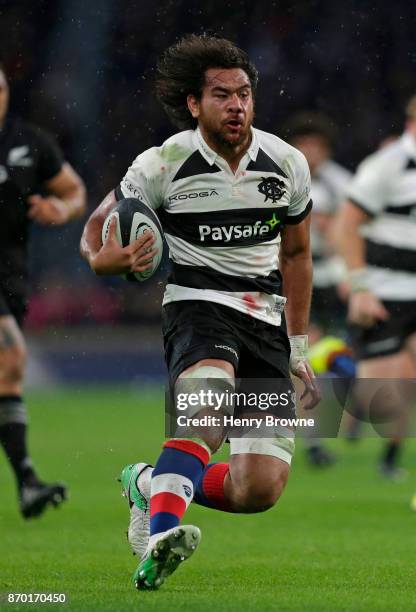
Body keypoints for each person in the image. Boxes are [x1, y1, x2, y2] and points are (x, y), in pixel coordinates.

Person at [81, 34, 319, 591]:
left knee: (257, 489)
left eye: (243, 94)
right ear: (194, 103)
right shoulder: (161, 164)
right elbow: (97, 227)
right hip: (197, 307)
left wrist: (299, 345)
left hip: (265, 319)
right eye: (221, 95)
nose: (236, 105)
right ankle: (163, 536)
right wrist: (102, 262)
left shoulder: (286, 163)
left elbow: (298, 254)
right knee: (203, 417)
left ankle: (147, 484)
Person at [0, 64, 86, 517]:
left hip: (11, 275)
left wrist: (61, 208)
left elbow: (75, 191)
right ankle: (28, 478)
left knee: (6, 376)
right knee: (11, 355)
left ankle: (27, 483)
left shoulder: (29, 143)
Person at [335, 95, 416, 478]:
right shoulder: (386, 166)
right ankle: (344, 370)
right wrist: (360, 286)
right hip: (385, 296)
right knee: (380, 403)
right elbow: (345, 226)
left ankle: (390, 461)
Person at [285, 112, 352, 466]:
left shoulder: (343, 183)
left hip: (334, 279)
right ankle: (314, 439)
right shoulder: (279, 177)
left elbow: (355, 232)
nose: (310, 152)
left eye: (317, 146)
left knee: (338, 360)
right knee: (306, 357)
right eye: (304, 144)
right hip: (298, 277)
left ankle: (333, 427)